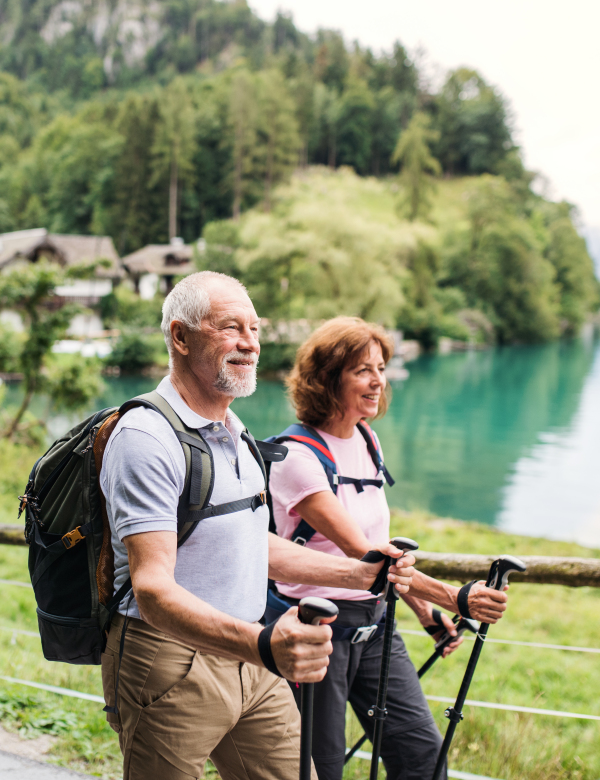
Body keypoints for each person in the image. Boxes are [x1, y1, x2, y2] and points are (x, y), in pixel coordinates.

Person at [100, 273, 415, 780]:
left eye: (255, 328)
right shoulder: (146, 437)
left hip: (253, 656)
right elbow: (152, 587)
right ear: (181, 337)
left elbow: (252, 542)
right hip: (170, 661)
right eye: (230, 327)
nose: (250, 343)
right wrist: (261, 644)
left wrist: (361, 575)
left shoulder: (234, 430)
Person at [268, 316, 510, 780]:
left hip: (377, 624)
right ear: (326, 378)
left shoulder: (366, 437)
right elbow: (368, 557)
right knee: (319, 770)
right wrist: (456, 597)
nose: (378, 380)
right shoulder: (298, 458)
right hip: (315, 630)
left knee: (422, 760)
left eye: (380, 367)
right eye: (362, 370)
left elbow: (386, 546)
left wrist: (424, 613)